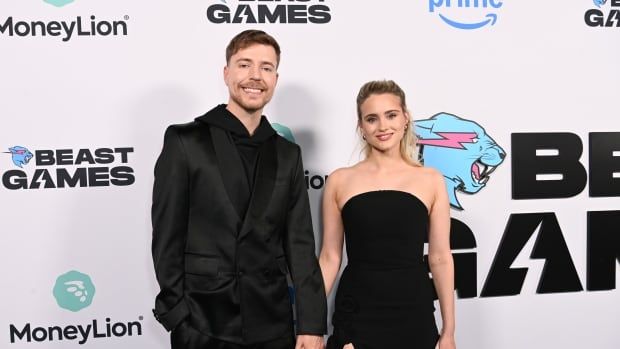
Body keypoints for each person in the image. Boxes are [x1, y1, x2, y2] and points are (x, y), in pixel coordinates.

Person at [151, 29, 327, 349]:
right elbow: (167, 238)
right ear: (226, 72)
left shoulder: (287, 154)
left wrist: (312, 324)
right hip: (202, 323)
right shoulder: (185, 141)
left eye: (266, 67)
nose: (255, 76)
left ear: (275, 78)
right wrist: (178, 316)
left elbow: (300, 247)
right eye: (244, 65)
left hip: (272, 323)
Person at [319, 80, 456, 349]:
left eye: (391, 115)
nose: (383, 127)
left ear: (405, 118)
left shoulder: (431, 180)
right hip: (357, 313)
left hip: (414, 313)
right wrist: (309, 326)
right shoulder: (339, 180)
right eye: (372, 119)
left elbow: (440, 257)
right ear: (361, 127)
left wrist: (448, 330)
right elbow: (329, 257)